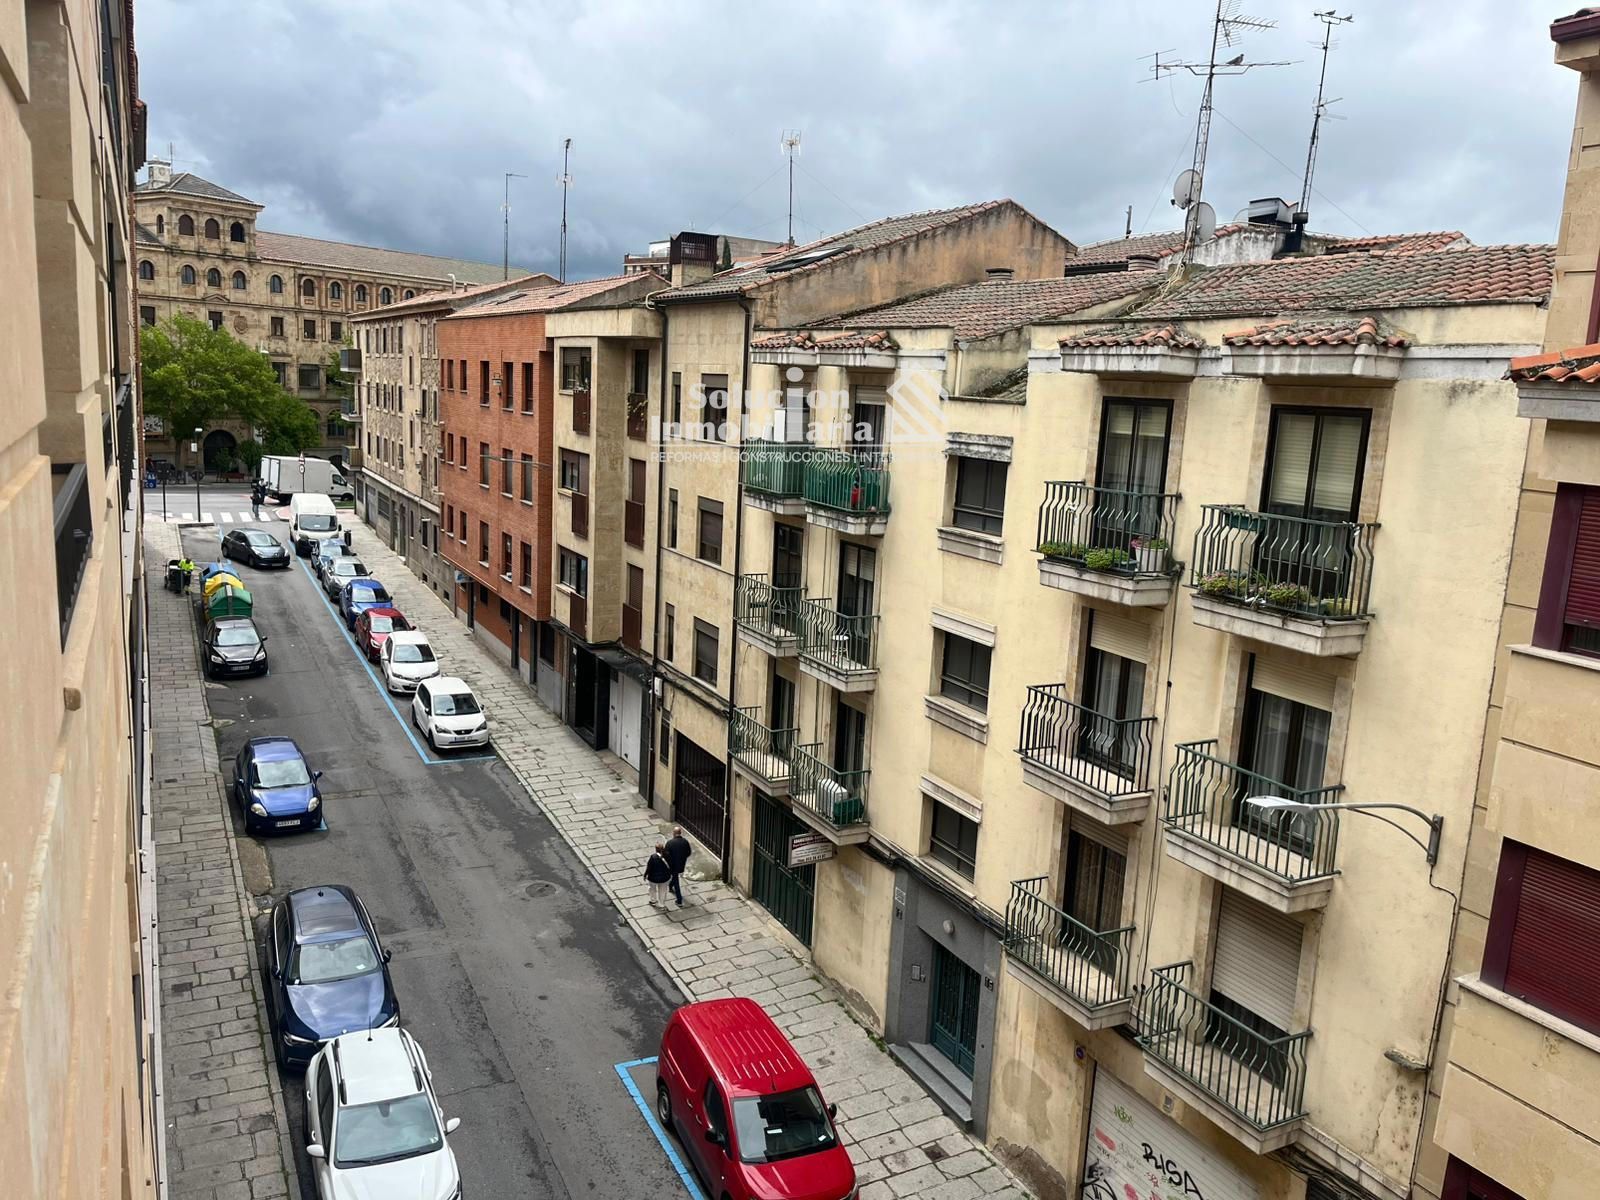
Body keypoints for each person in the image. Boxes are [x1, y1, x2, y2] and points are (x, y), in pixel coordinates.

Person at [664, 826, 692, 908]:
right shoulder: (685, 842)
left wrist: (669, 863)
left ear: (674, 833)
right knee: (675, 878)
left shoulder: (669, 843)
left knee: (676, 882)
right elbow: (688, 852)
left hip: (673, 866)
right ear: (680, 833)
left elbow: (666, 855)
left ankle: (679, 900)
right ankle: (670, 886)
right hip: (681, 864)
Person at [644, 843, 673, 908]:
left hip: (653, 878)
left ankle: (653, 901)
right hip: (665, 878)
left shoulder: (653, 857)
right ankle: (662, 904)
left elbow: (649, 867)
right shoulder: (668, 855)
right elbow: (671, 865)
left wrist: (645, 875)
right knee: (663, 891)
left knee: (652, 889)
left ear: (656, 849)